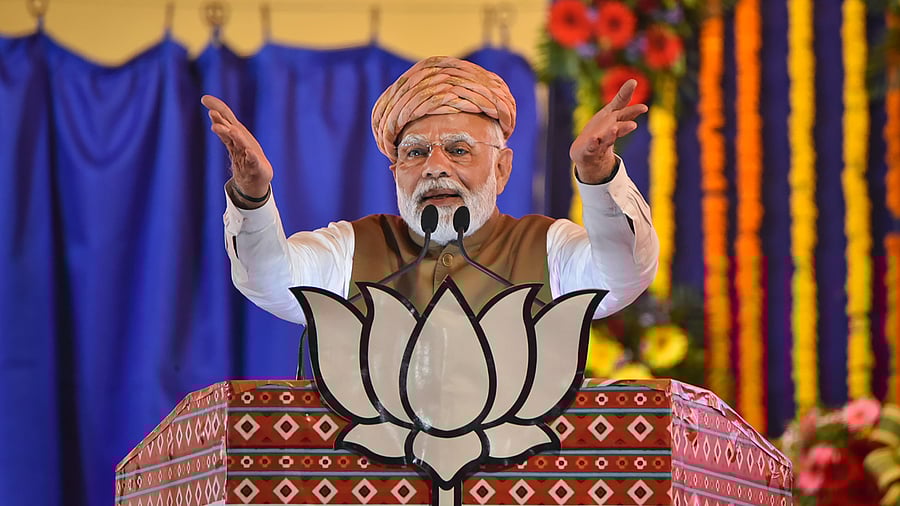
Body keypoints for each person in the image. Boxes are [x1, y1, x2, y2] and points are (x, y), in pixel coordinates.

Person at [202, 56, 658, 325]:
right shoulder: (351, 248)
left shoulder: (550, 248)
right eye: (416, 154)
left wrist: (598, 176)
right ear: (394, 171)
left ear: (502, 168)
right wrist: (252, 195)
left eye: (459, 150)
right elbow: (269, 279)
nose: (435, 168)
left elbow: (623, 275)